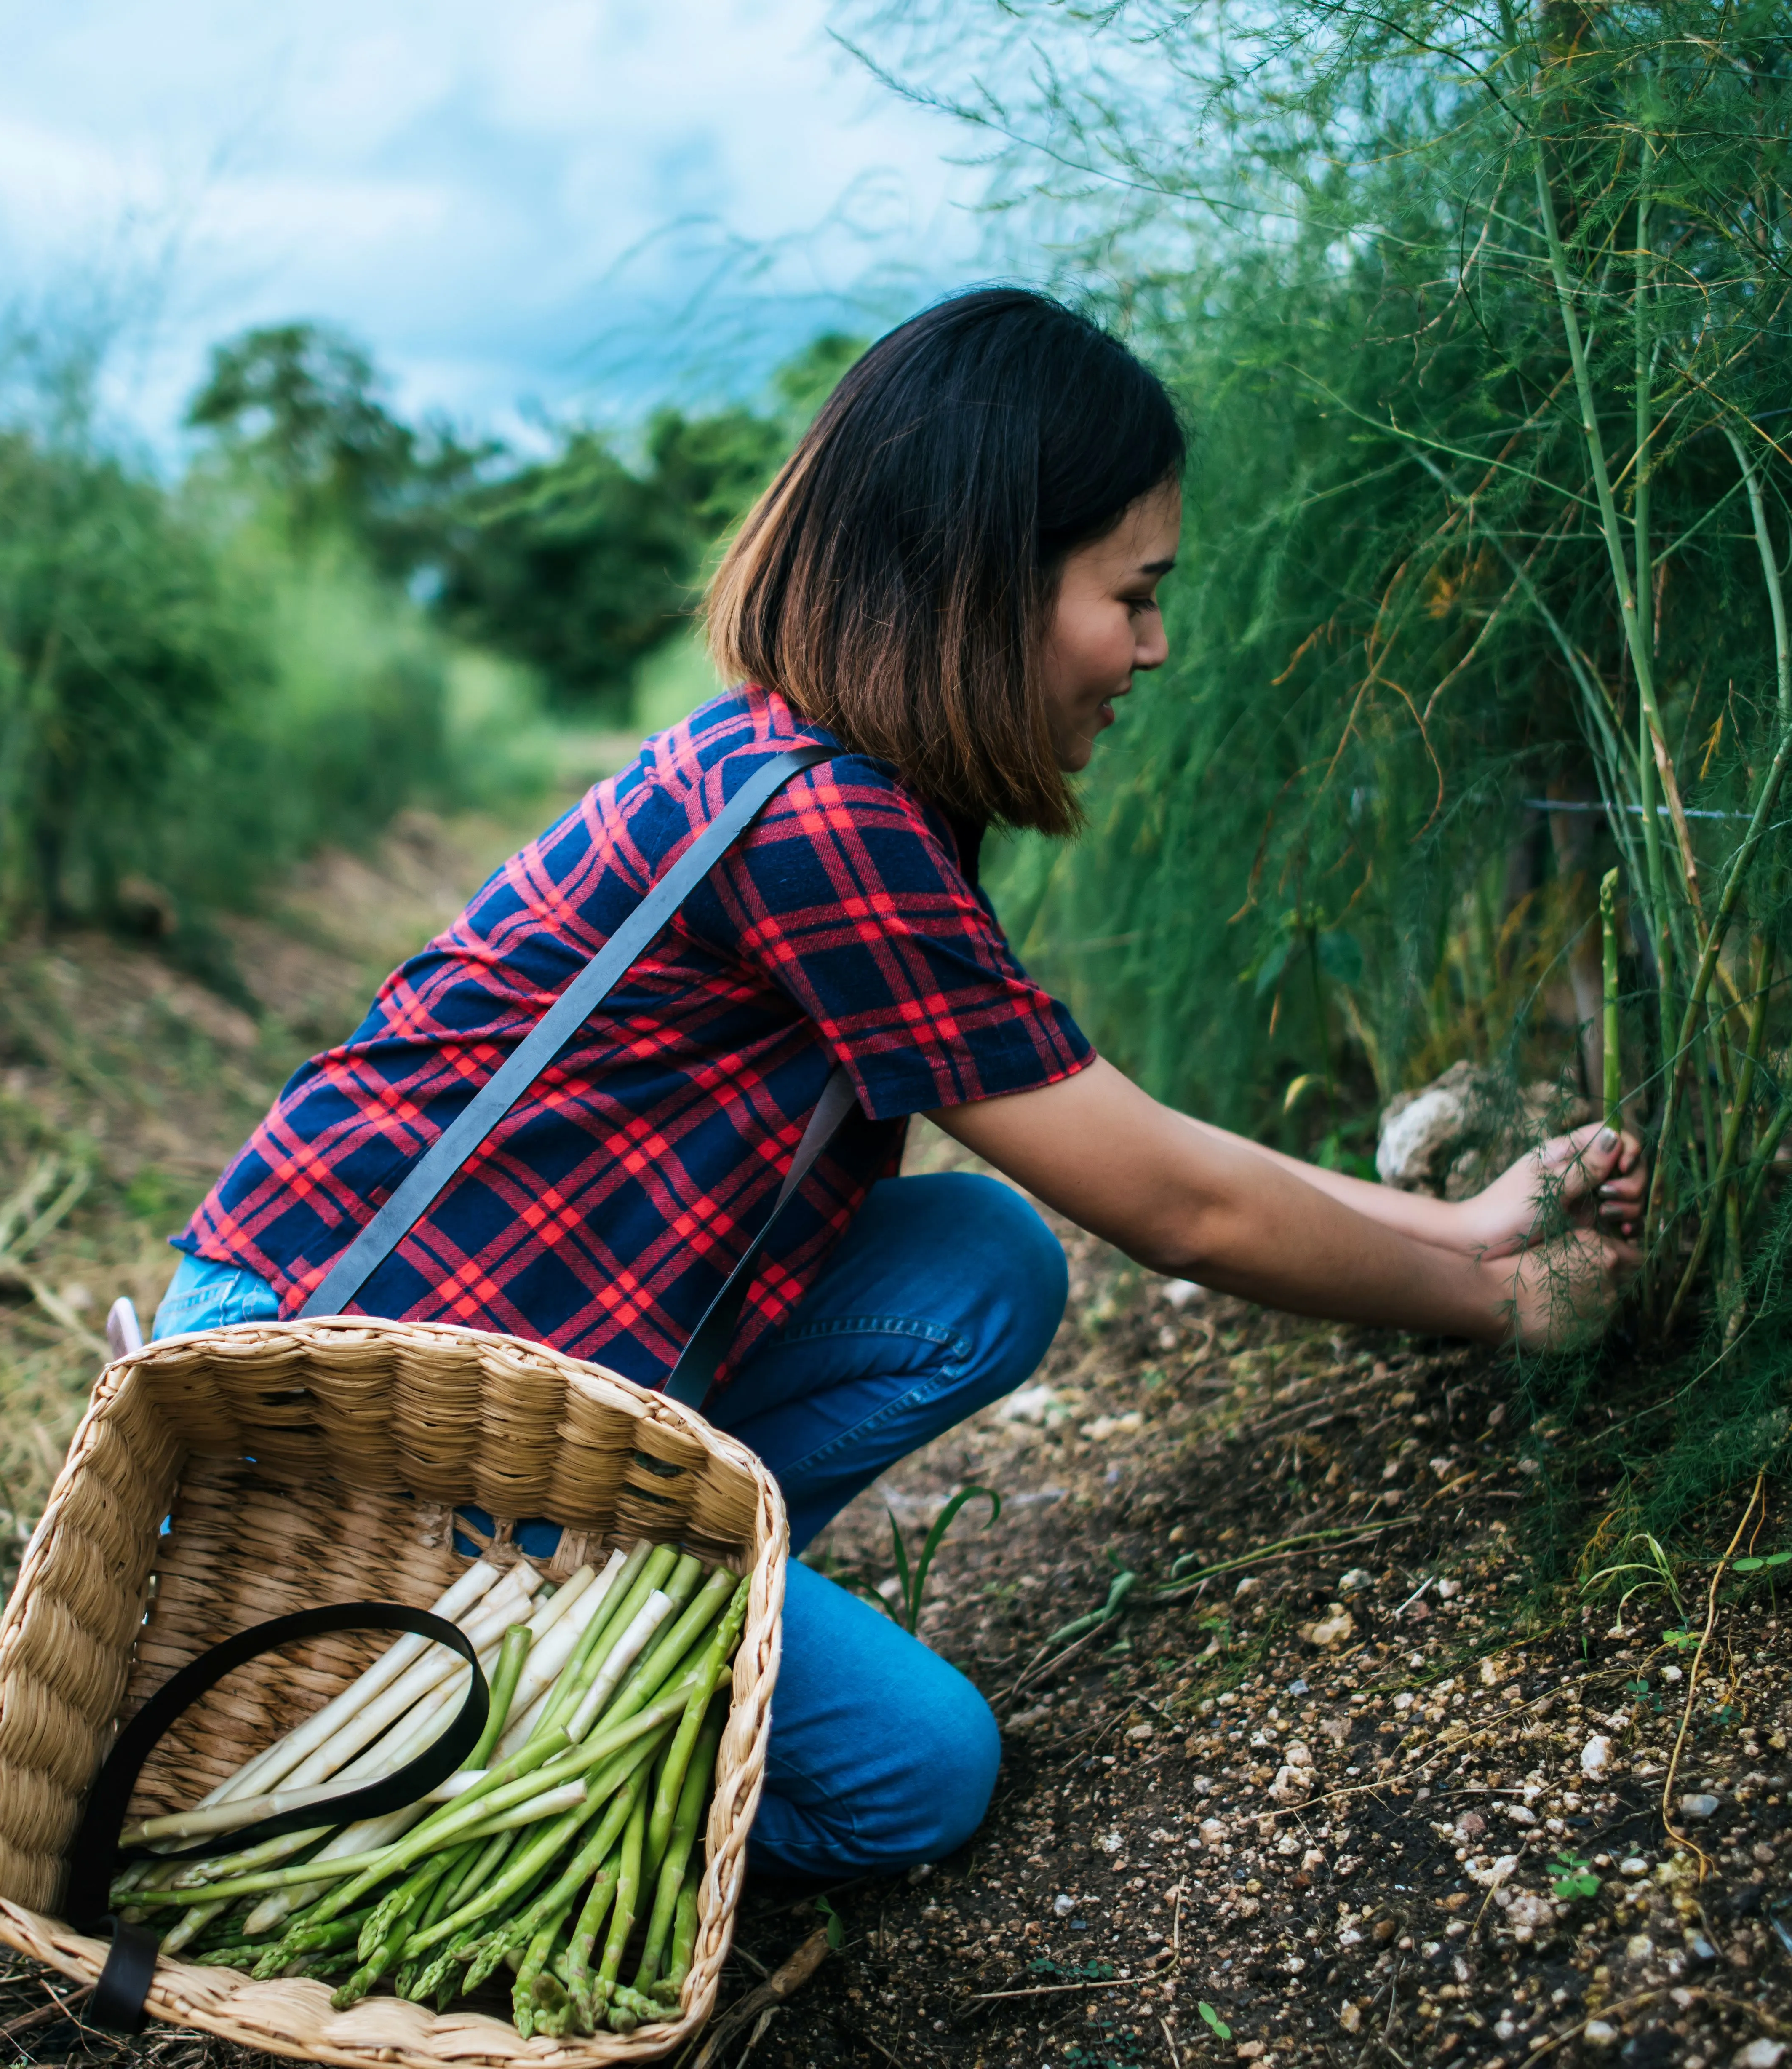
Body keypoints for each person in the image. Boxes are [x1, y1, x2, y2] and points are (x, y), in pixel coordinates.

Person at [153, 287, 1645, 1883]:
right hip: (337, 1411)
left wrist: (1469, 1227)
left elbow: (1123, 1130)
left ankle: (616, 1610)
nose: (1156, 646)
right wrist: (1499, 1306)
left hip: (498, 1364)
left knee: (980, 1261)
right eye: (1132, 593)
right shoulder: (817, 826)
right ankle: (496, 1734)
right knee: (915, 1777)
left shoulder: (824, 779)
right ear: (985, 580)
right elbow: (1185, 1209)